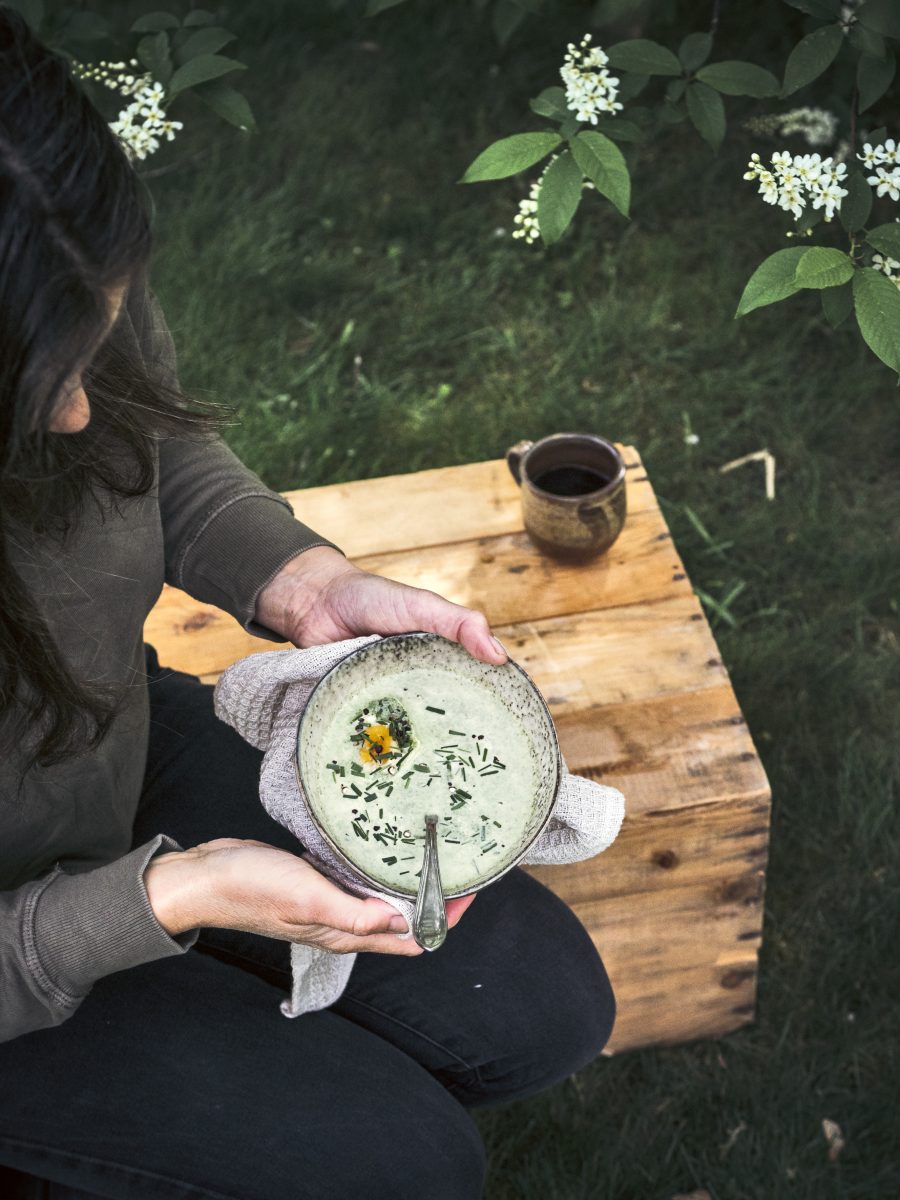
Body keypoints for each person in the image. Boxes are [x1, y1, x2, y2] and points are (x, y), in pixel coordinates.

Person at [0, 8, 616, 1198]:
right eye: (38, 388)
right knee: (410, 1168)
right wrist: (171, 898)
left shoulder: (39, 254)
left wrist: (303, 580)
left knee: (539, 1008)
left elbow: (146, 446)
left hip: (105, 747)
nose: (77, 414)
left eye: (91, 351)